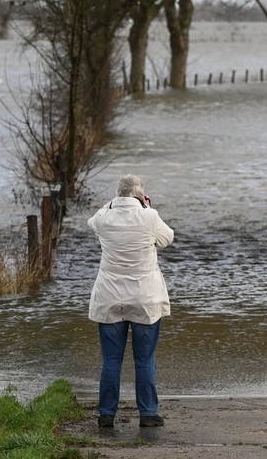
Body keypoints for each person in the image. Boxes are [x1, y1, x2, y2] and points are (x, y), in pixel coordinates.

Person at [88, 174, 174, 428]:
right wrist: (145, 205)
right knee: (144, 359)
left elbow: (92, 221)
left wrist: (112, 203)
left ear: (117, 194)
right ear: (140, 194)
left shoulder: (104, 217)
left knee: (112, 360)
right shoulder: (149, 216)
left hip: (110, 297)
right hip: (144, 298)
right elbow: (167, 238)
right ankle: (148, 414)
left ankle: (106, 414)